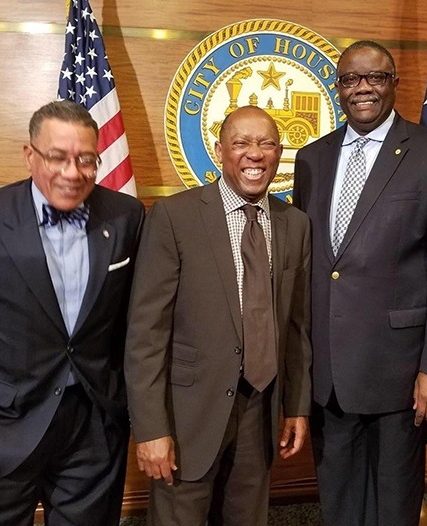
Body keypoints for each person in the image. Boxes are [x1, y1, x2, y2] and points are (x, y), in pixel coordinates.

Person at [0, 100, 145, 525]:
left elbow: (131, 319)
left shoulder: (127, 215)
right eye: (57, 157)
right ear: (30, 155)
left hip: (91, 428)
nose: (72, 173)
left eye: (86, 160)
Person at [293, 40, 427, 526]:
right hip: (328, 374)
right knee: (339, 502)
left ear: (394, 83)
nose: (363, 88)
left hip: (401, 373)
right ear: (339, 88)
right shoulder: (311, 159)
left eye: (375, 77)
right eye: (351, 79)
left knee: (393, 505)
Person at [125, 105, 312, 526]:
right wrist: (151, 429)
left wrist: (296, 407)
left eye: (266, 143)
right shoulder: (174, 216)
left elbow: (297, 326)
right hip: (187, 415)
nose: (255, 154)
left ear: (279, 152)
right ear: (219, 151)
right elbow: (145, 333)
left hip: (260, 409)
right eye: (241, 143)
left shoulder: (295, 224)